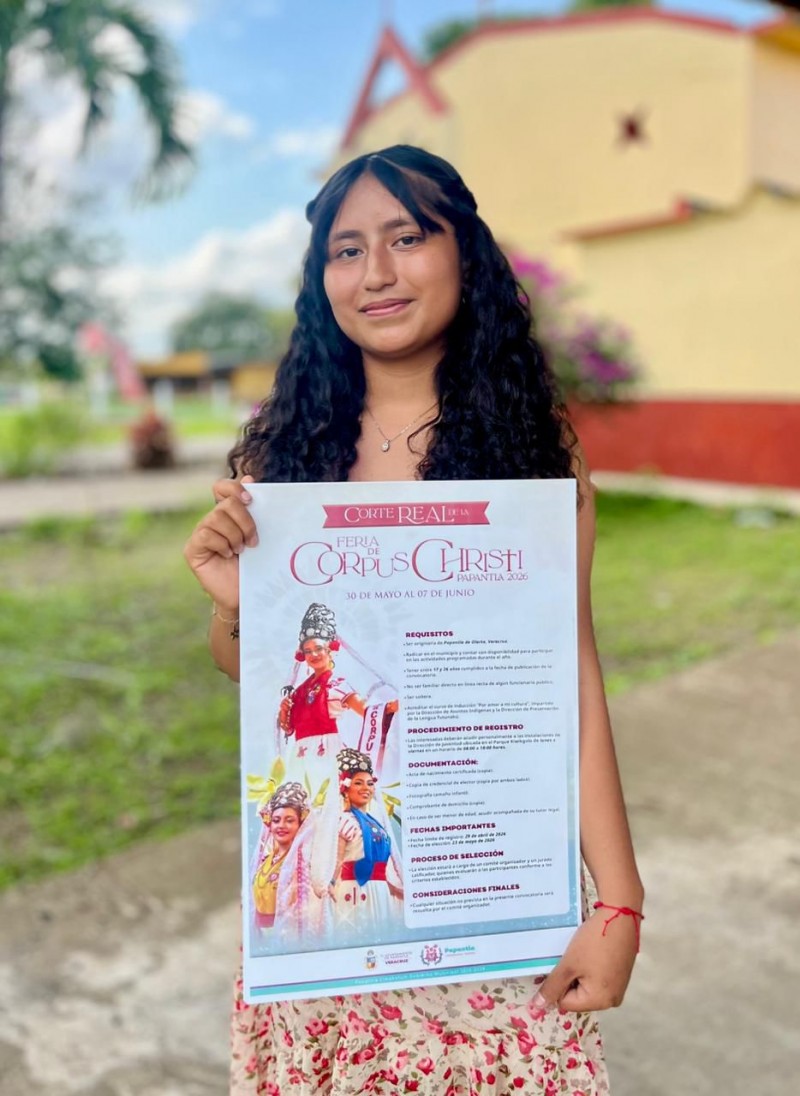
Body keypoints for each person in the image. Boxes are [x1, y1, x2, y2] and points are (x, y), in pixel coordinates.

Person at [184, 144, 644, 1095]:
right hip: (334, 921)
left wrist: (621, 903)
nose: (376, 274)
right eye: (346, 251)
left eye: (406, 238)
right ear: (322, 282)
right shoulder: (286, 453)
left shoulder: (534, 456)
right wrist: (239, 610)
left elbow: (571, 674)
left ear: (463, 254)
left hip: (496, 900)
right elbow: (254, 675)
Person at [326, 748, 404, 940]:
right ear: (345, 788)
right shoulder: (344, 820)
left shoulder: (375, 823)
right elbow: (338, 859)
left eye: (369, 783)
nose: (366, 788)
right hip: (355, 890)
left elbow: (380, 867)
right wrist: (331, 883)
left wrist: (393, 889)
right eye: (358, 783)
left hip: (380, 891)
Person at [251, 782, 310, 933]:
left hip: (286, 935)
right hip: (260, 935)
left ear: (300, 825)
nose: (281, 825)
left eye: (289, 820)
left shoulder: (301, 865)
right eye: (276, 820)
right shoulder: (265, 859)